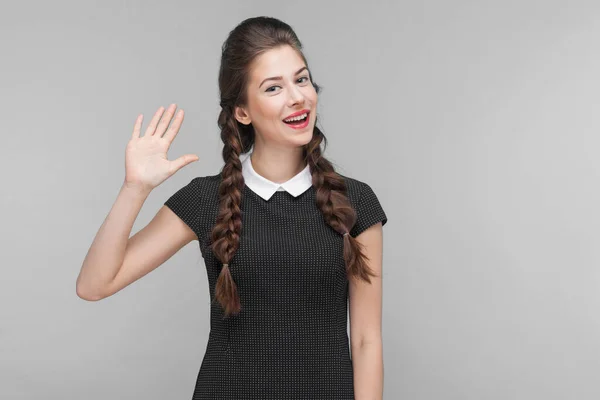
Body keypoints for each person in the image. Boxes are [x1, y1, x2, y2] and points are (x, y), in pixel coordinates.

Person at [76, 16, 388, 399]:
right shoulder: (206, 199)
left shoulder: (355, 203)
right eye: (274, 87)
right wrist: (134, 188)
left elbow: (366, 340)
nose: (297, 97)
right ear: (243, 112)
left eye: (301, 79)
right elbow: (94, 285)